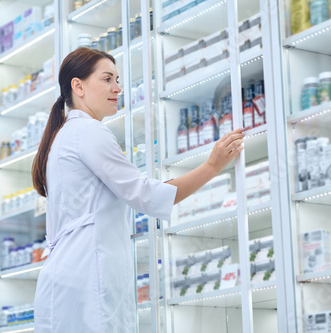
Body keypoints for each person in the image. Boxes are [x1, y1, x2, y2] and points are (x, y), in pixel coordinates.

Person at [31, 47, 244, 333]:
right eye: (107, 79)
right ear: (78, 86)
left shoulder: (63, 136)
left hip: (67, 280)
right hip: (87, 281)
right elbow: (147, 196)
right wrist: (212, 166)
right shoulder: (88, 132)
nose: (117, 88)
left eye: (117, 80)